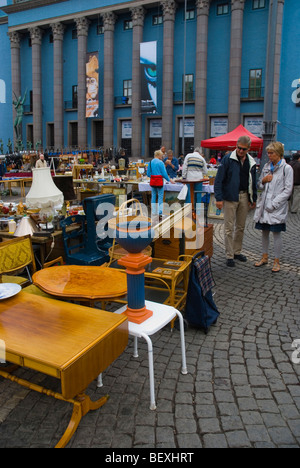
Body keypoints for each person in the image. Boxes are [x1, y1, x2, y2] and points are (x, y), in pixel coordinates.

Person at [214, 136, 257, 267]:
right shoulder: (228, 159)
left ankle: (237, 252)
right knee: (228, 228)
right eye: (238, 147)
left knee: (241, 227)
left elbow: (253, 181)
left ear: (248, 149)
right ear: (236, 145)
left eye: (243, 149)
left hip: (244, 196)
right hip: (230, 197)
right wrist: (219, 198)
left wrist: (253, 198)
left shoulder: (251, 161)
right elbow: (219, 179)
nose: (240, 150)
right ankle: (229, 255)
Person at [253, 142, 293, 273]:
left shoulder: (286, 169)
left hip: (276, 207)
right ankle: (264, 257)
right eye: (268, 153)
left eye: (272, 153)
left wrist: (274, 203)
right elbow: (259, 185)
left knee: (276, 233)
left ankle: (277, 260)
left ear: (279, 153)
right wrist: (263, 181)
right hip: (264, 205)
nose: (269, 155)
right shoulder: (266, 166)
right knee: (264, 232)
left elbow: (288, 190)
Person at [147, 149, 174, 219]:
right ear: (158, 155)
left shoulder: (150, 162)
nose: (162, 157)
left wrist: (153, 176)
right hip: (159, 181)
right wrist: (169, 180)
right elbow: (164, 174)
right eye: (161, 156)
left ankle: (153, 211)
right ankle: (160, 212)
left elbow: (148, 174)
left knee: (153, 196)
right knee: (160, 196)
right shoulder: (161, 163)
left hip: (152, 181)